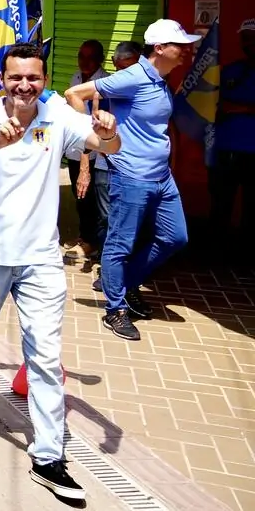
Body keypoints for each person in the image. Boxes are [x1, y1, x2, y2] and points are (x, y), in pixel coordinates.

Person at [0, 43, 120, 502]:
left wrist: (107, 132)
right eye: (16, 77)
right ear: (2, 80)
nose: (25, 85)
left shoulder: (57, 115)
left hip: (42, 258)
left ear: (44, 79)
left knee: (45, 358)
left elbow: (107, 143)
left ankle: (48, 455)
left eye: (34, 77)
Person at [68, 19, 197, 341]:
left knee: (174, 237)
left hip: (161, 177)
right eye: (179, 45)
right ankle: (116, 309)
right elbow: (75, 93)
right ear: (160, 48)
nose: (186, 50)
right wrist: (93, 132)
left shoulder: (160, 79)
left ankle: (123, 284)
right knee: (119, 244)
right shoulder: (133, 76)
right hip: (131, 176)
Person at [212, 19, 255, 240]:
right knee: (222, 200)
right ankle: (219, 248)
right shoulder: (231, 70)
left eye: (251, 37)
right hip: (227, 146)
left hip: (252, 149)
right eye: (244, 38)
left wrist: (237, 108)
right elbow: (213, 101)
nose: (247, 42)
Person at [67, 40, 110, 260]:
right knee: (79, 196)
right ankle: (85, 236)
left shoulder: (105, 83)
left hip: (94, 153)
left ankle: (91, 242)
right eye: (81, 56)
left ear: (100, 59)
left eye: (90, 57)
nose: (84, 62)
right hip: (75, 150)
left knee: (92, 198)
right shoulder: (75, 79)